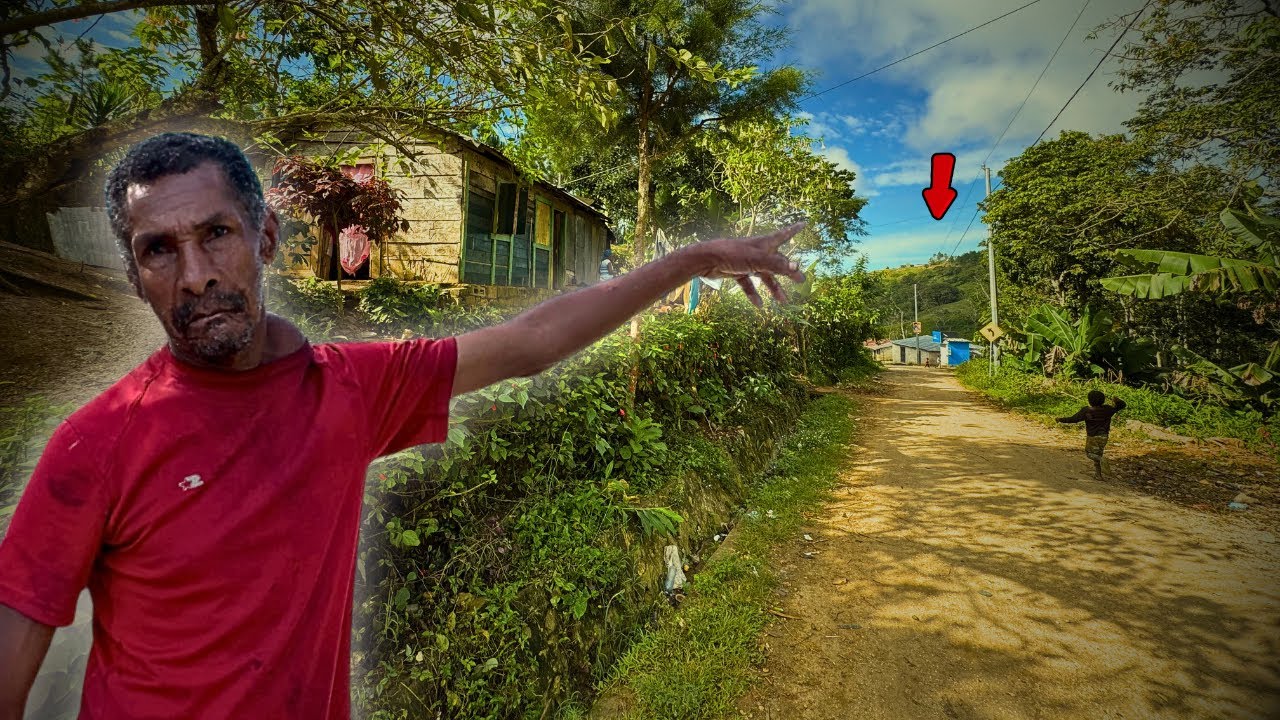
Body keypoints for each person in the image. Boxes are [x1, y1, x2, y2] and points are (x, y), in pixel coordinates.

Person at [0, 132, 805, 719]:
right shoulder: (96, 444)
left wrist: (689, 263)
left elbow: (531, 342)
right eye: (158, 251)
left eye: (216, 233)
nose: (197, 273)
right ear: (136, 275)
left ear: (266, 238)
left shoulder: (349, 389)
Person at [1056, 390, 1127, 480]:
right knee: (1098, 452)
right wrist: (1117, 400)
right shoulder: (1108, 409)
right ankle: (1098, 475)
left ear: (1090, 400)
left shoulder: (1087, 410)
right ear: (1103, 400)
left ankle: (1101, 460)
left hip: (1093, 436)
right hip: (1104, 436)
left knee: (1090, 453)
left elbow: (1074, 419)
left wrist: (1060, 419)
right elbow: (1122, 405)